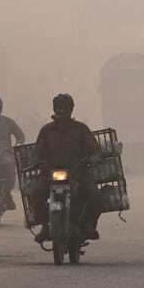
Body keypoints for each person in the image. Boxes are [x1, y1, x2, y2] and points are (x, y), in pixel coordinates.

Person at [29, 94, 105, 243]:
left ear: (71, 109)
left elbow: (95, 149)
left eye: (65, 108)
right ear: (54, 109)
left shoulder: (81, 129)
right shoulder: (46, 130)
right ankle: (45, 226)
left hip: (78, 172)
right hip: (50, 173)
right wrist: (37, 161)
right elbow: (37, 151)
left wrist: (93, 157)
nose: (62, 111)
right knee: (35, 194)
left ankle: (87, 224)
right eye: (59, 108)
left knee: (96, 196)